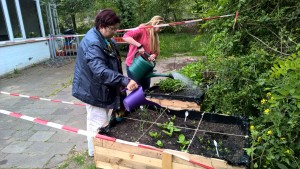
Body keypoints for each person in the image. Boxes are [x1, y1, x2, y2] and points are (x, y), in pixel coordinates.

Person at [72, 9, 138, 157]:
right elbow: (101, 71)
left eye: (116, 29)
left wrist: (121, 83)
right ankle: (98, 155)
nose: (115, 32)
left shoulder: (107, 39)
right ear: (102, 25)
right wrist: (124, 81)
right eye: (112, 29)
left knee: (102, 121)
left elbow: (113, 65)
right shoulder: (93, 44)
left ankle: (97, 151)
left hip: (103, 86)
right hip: (93, 89)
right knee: (98, 123)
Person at [122, 16, 165, 90]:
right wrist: (139, 46)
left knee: (146, 90)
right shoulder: (142, 29)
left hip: (145, 67)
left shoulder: (154, 36)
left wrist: (153, 55)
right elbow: (126, 36)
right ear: (155, 24)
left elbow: (156, 52)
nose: (160, 30)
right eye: (160, 28)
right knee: (136, 90)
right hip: (134, 66)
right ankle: (133, 102)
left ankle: (144, 101)